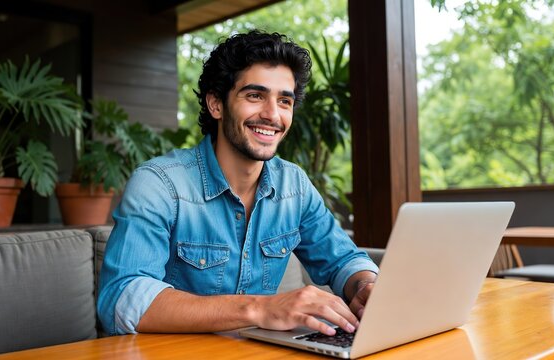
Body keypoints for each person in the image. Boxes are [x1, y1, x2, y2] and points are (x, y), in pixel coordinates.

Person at [97, 30, 379, 337]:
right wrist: (259, 308)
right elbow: (122, 299)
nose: (273, 114)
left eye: (284, 100)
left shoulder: (294, 186)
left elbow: (344, 260)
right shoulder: (160, 184)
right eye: (255, 96)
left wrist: (365, 286)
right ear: (216, 104)